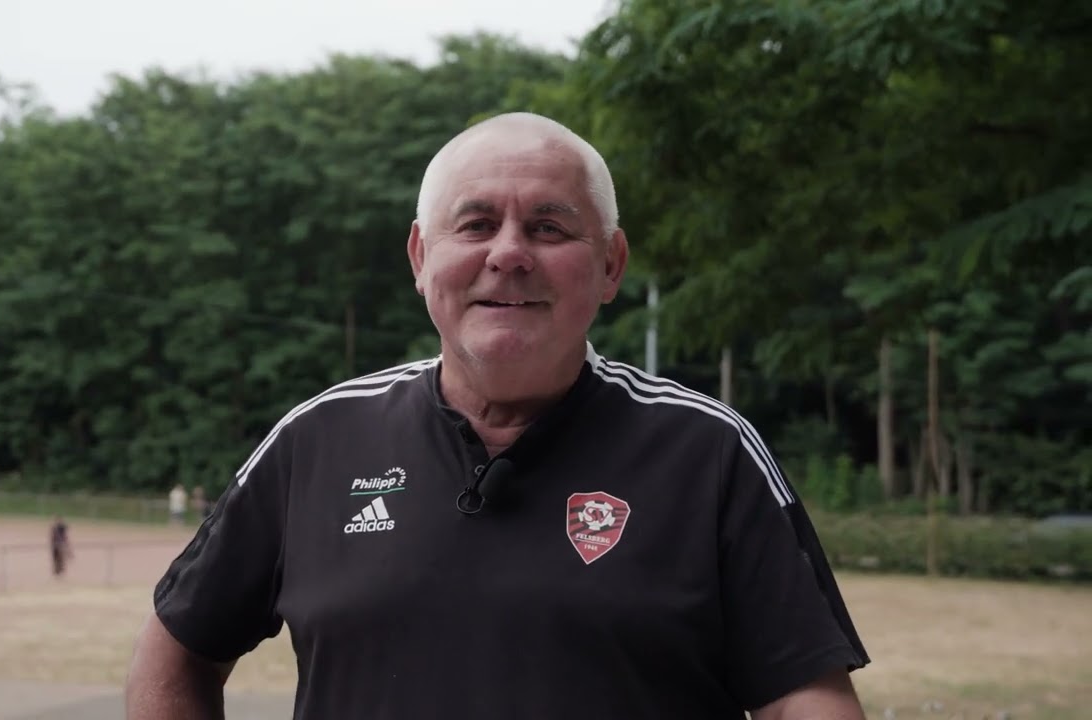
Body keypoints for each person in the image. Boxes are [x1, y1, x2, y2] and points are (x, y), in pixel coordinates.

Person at [125, 112, 870, 719]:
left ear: (611, 264)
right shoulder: (317, 440)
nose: (509, 254)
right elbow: (177, 652)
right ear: (421, 257)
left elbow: (804, 698)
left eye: (549, 228)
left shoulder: (708, 451)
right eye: (476, 224)